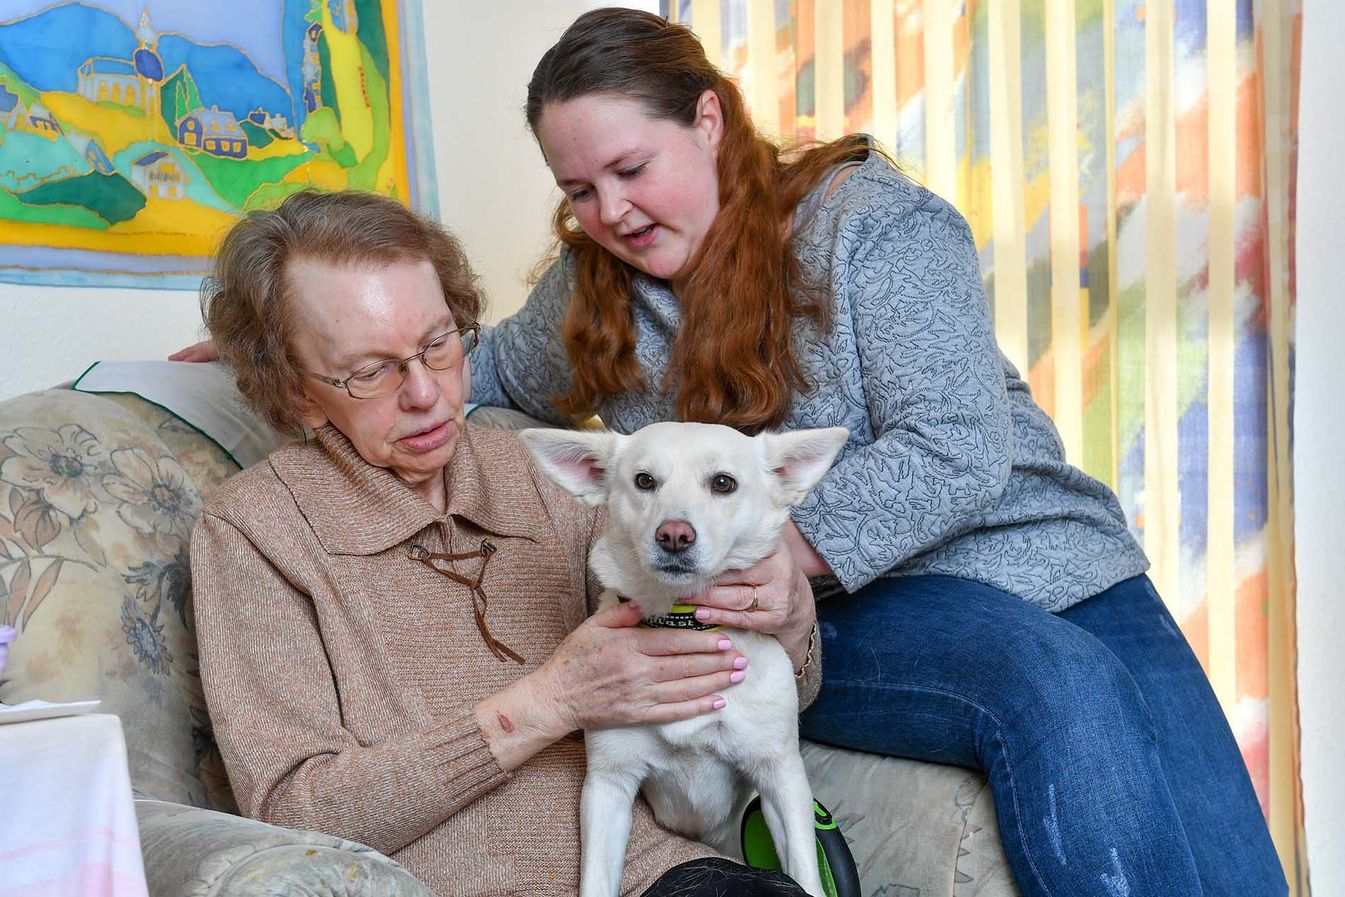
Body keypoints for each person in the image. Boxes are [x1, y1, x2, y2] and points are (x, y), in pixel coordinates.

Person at [174, 9, 1287, 897]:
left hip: (1046, 568)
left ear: (708, 120)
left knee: (1223, 847)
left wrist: (789, 544)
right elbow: (475, 364)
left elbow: (957, 445)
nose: (609, 209)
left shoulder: (872, 228)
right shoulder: (586, 290)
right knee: (1045, 685)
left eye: (630, 167)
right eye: (577, 191)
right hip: (859, 607)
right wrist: (278, 351)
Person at [188, 190, 824, 896]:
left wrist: (790, 619)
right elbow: (292, 812)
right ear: (298, 392)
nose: (427, 393)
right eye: (371, 371)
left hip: (659, 874)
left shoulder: (542, 471)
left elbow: (765, 695)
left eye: (438, 343)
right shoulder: (254, 531)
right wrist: (546, 702)